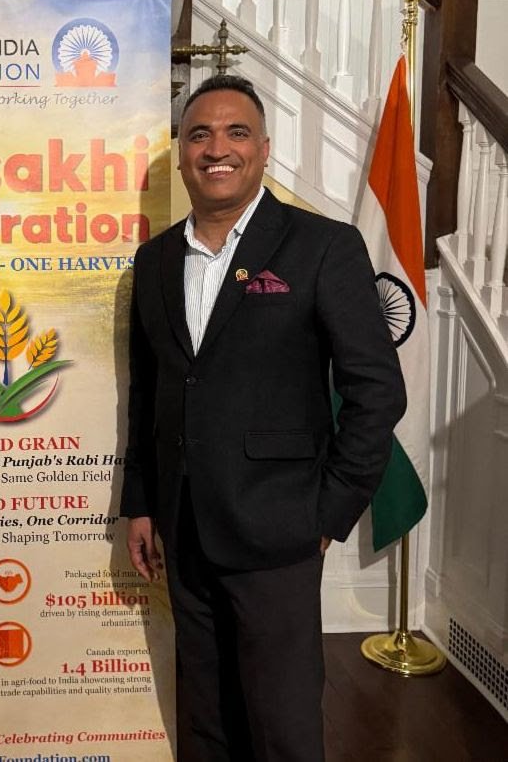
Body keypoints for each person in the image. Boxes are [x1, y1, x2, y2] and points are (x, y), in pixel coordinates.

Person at [121, 75, 406, 761]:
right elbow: (151, 393)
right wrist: (141, 503)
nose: (217, 148)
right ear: (182, 153)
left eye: (236, 132)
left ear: (264, 149)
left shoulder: (323, 246)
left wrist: (329, 511)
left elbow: (376, 391)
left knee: (282, 725)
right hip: (182, 525)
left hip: (280, 528)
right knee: (206, 717)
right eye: (199, 134)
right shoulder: (154, 260)